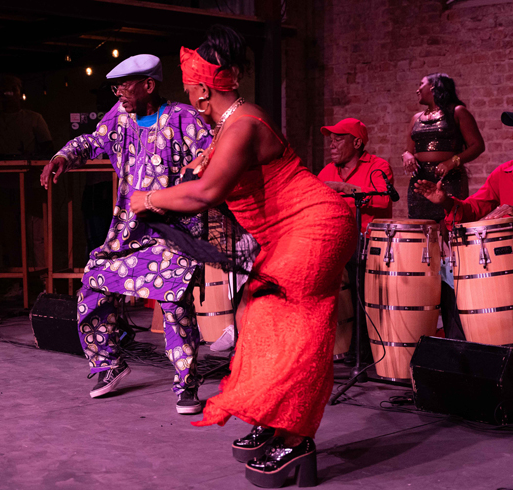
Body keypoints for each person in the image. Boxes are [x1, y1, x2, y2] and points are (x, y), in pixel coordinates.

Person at [129, 26, 355, 488]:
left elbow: (208, 192)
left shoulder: (242, 124)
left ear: (201, 87)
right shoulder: (231, 123)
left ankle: (297, 438)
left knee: (294, 325)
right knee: (255, 315)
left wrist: (149, 198)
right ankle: (276, 420)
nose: (184, 88)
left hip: (314, 225)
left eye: (187, 80)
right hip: (284, 233)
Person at [40, 55, 212, 414]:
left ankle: (186, 384)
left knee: (174, 303)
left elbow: (210, 159)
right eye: (116, 85)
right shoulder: (119, 118)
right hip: (128, 234)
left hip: (173, 233)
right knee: (94, 283)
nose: (118, 90)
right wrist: (63, 156)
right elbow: (91, 141)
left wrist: (183, 192)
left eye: (126, 83)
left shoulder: (183, 118)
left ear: (148, 85)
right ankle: (108, 364)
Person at [414, 105, 513, 374]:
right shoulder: (503, 173)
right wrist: (445, 201)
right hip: (509, 254)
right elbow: (471, 209)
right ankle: (461, 363)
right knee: (450, 271)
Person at [402, 73, 485, 340]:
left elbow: (477, 145)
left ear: (436, 88)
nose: (417, 89)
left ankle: (454, 314)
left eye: (421, 85)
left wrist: (453, 162)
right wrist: (406, 155)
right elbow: (409, 149)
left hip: (447, 180)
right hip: (420, 182)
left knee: (449, 240)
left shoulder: (457, 112)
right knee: (425, 242)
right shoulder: (417, 119)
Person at [0, 75, 54, 295]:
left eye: (13, 89)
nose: (9, 94)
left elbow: (49, 148)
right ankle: (17, 282)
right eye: (5, 90)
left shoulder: (33, 118)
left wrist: (30, 158)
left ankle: (44, 283)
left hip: (30, 183)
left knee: (37, 234)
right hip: (1, 184)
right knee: (8, 234)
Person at [318, 118, 393, 365]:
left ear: (357, 142)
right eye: (331, 140)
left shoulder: (377, 166)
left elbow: (383, 200)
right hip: (334, 241)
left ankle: (359, 348)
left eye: (339, 139)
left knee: (356, 268)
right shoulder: (326, 171)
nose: (332, 145)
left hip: (368, 243)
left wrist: (344, 188)